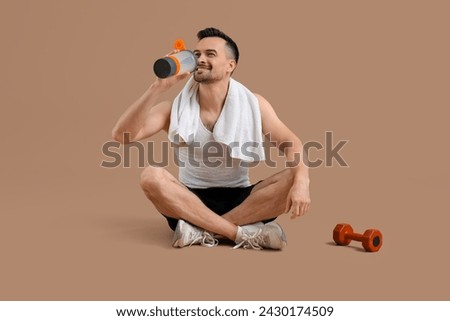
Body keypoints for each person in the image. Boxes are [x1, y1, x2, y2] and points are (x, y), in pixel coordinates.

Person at [112, 27, 311, 250]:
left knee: (296, 175)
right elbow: (122, 136)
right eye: (196, 54)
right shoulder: (173, 109)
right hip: (187, 200)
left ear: (230, 65)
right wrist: (157, 87)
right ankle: (240, 234)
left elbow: (291, 143)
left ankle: (200, 231)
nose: (200, 59)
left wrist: (302, 183)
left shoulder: (254, 104)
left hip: (242, 198)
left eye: (210, 54)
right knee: (151, 176)